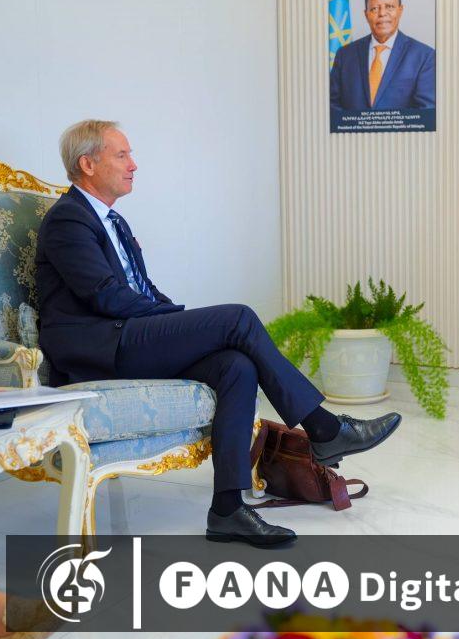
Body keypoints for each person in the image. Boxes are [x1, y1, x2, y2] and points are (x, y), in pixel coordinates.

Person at [34, 120, 402, 548]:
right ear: (87, 164)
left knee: (236, 365)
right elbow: (105, 296)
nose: (133, 164)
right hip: (99, 347)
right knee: (237, 318)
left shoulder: (112, 222)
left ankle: (227, 509)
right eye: (122, 155)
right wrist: (176, 321)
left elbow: (143, 290)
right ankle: (323, 428)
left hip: (125, 334)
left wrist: (175, 322)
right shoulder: (69, 219)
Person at [330, 0, 435, 111]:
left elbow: (426, 111)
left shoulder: (425, 56)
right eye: (374, 8)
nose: (382, 13)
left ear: (400, 10)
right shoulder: (344, 55)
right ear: (366, 14)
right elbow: (332, 106)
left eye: (389, 6)